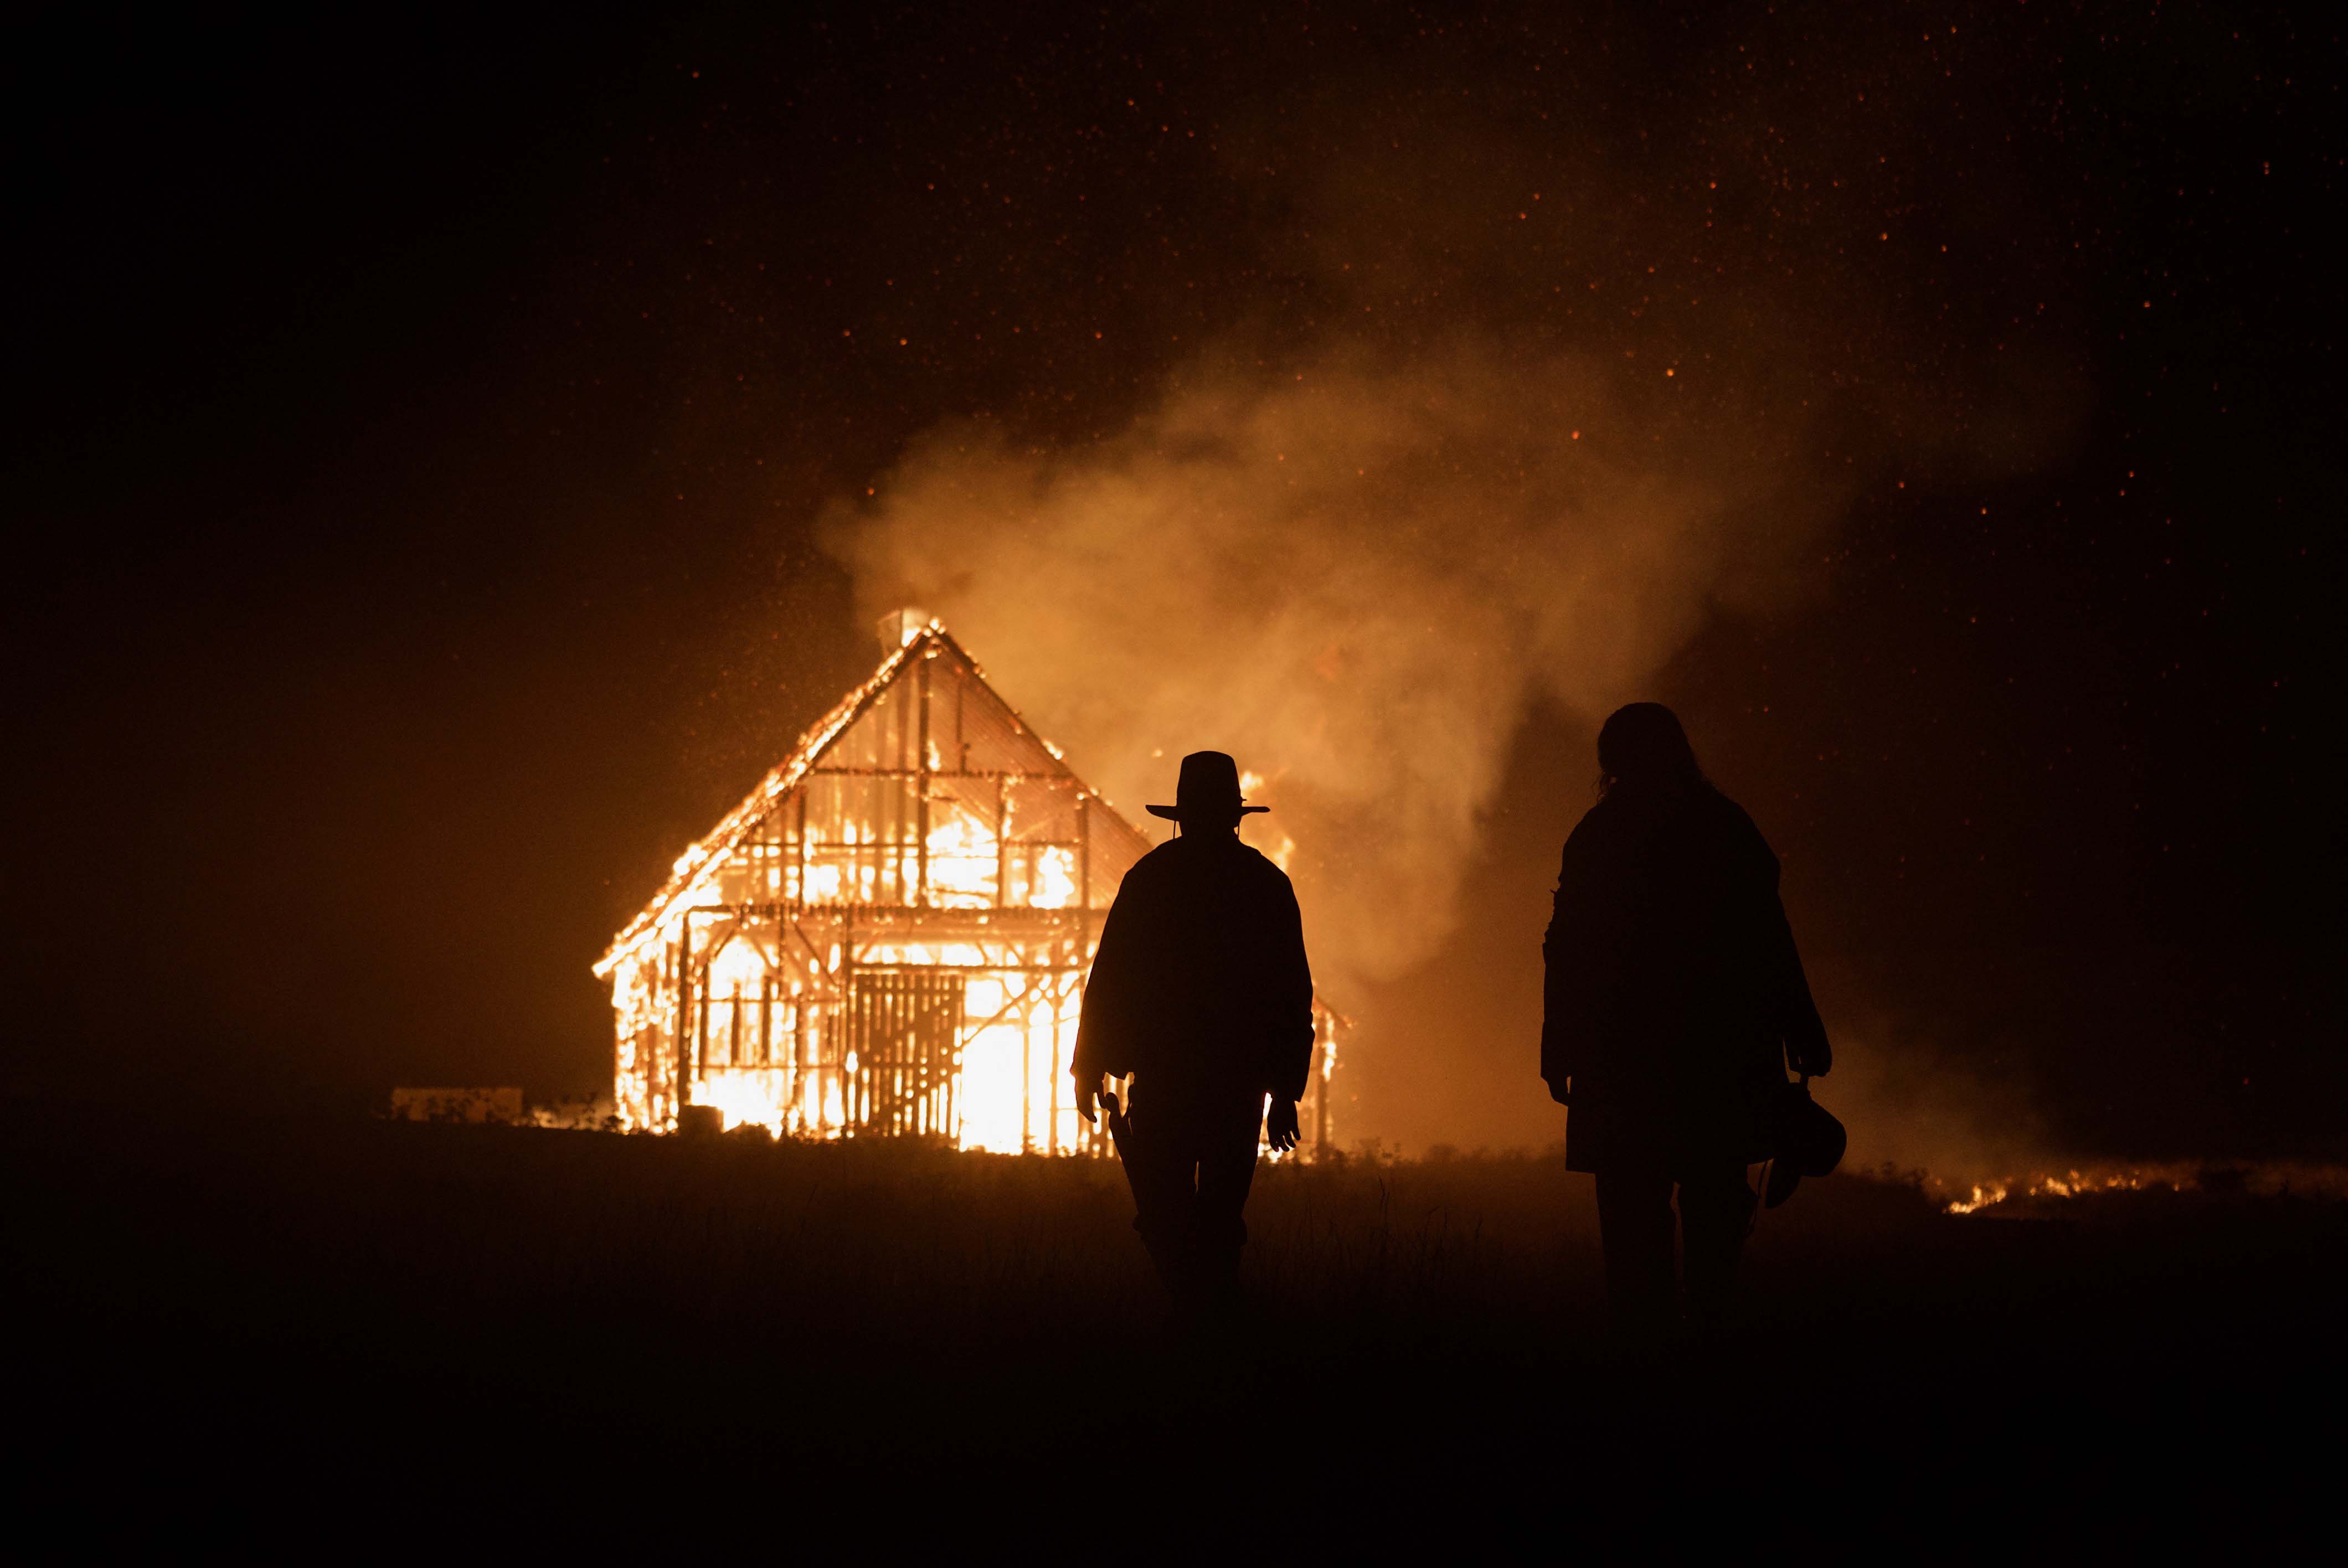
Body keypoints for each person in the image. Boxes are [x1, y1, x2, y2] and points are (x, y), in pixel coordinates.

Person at [1542, 704, 1831, 1330]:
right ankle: (1707, 1351)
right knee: (1714, 1214)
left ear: (1611, 761)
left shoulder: (1599, 836)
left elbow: (1567, 949)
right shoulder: (1724, 828)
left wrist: (1559, 1046)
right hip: (1717, 1058)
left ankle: (1645, 1359)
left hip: (1625, 1061)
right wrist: (1800, 1026)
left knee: (1631, 1219)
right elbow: (1768, 940)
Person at [1072, 750, 1315, 1314]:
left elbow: (1109, 980)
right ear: (1236, 815)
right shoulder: (1265, 885)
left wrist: (1089, 1065)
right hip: (1238, 1087)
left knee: (1165, 1214)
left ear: (1179, 814)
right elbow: (1290, 997)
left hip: (1166, 1082)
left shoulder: (1152, 880)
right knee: (1220, 1219)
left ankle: (1192, 1319)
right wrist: (1283, 1093)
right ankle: (1213, 1322)